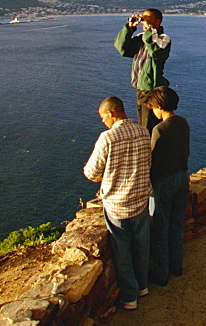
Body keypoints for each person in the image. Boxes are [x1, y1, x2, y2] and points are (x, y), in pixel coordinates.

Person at [83, 96, 152, 311]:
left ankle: (130, 297)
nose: (103, 122)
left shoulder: (107, 138)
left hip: (118, 205)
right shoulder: (144, 132)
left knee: (122, 251)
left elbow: (91, 172)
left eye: (103, 117)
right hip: (141, 199)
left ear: (112, 113)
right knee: (141, 245)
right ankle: (143, 286)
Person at [145, 86, 190, 287]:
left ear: (159, 106)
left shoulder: (159, 130)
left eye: (153, 107)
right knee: (176, 224)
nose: (152, 111)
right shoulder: (183, 123)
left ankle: (161, 274)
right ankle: (177, 265)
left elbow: (153, 162)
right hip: (182, 177)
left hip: (164, 182)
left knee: (160, 230)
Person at [115, 9, 172, 132]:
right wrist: (129, 28)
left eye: (148, 18)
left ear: (158, 21)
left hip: (153, 91)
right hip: (141, 90)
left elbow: (156, 52)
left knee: (148, 128)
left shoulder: (164, 39)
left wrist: (149, 30)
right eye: (143, 18)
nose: (144, 21)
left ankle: (151, 149)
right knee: (143, 124)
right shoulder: (142, 38)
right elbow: (122, 49)